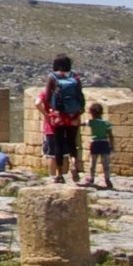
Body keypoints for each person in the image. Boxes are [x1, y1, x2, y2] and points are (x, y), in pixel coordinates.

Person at [41, 56, 87, 184]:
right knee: (72, 142)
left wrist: (50, 111)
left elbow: (48, 96)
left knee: (59, 144)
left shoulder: (52, 77)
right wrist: (80, 111)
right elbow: (80, 94)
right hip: (73, 114)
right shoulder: (75, 76)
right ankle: (73, 164)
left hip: (59, 116)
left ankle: (59, 173)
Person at [85, 100, 117, 189]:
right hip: (104, 143)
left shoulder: (91, 122)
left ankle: (91, 178)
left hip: (95, 143)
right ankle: (107, 179)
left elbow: (82, 123)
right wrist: (112, 145)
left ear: (92, 113)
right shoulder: (107, 123)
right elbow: (110, 135)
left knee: (93, 162)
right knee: (105, 163)